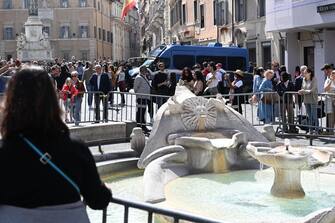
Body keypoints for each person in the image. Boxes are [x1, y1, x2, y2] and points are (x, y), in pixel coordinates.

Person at [0, 66, 111, 222]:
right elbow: (98, 200)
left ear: (10, 101)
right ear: (51, 100)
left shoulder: (4, 151)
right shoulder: (75, 148)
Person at [298, 68, 319, 133]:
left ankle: (317, 130)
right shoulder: (304, 79)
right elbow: (302, 88)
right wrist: (301, 91)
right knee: (309, 116)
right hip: (306, 100)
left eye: (305, 73)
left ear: (309, 73)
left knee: (314, 116)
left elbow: (312, 90)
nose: (303, 74)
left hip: (313, 99)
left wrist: (304, 91)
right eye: (303, 73)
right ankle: (311, 130)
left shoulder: (314, 79)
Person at [134, 66, 151, 132]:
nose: (146, 71)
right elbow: (135, 88)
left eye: (146, 70)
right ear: (141, 70)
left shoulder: (144, 77)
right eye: (144, 70)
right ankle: (139, 126)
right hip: (141, 97)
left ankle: (143, 126)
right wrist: (139, 95)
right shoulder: (138, 78)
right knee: (140, 112)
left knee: (143, 112)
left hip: (145, 97)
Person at [322, 64, 334, 134]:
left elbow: (327, 88)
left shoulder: (331, 77)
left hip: (332, 99)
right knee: (329, 116)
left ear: (328, 70)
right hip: (329, 99)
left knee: (331, 116)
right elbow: (326, 89)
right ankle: (330, 131)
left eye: (325, 70)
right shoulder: (328, 78)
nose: (324, 72)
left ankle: (330, 131)